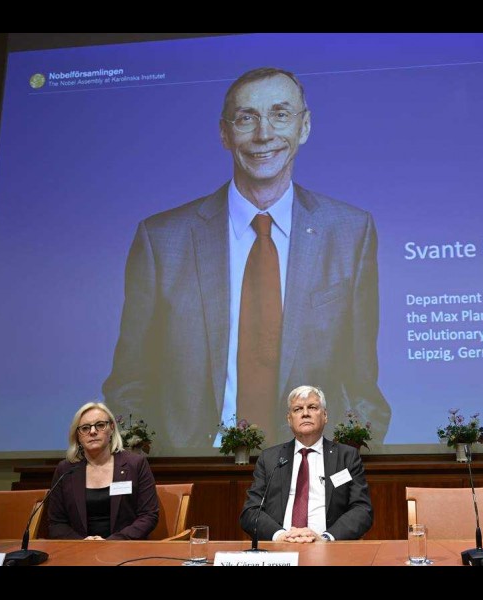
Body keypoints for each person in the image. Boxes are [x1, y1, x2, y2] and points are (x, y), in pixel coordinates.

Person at [102, 66, 390, 449]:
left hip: (310, 469)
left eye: (280, 114)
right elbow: (130, 381)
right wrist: (150, 464)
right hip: (193, 468)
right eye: (246, 118)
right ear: (224, 133)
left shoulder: (351, 233)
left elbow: (361, 383)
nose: (264, 133)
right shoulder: (161, 240)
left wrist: (342, 463)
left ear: (304, 127)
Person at [240, 385, 373, 542]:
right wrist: (280, 536)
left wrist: (326, 538)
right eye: (297, 409)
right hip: (281, 547)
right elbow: (251, 511)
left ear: (325, 415)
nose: (305, 414)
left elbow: (362, 510)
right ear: (289, 419)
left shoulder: (346, 457)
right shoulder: (270, 459)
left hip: (328, 548)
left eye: (312, 407)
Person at [48, 402, 159, 540]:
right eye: (85, 428)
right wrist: (82, 543)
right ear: (77, 435)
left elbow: (148, 515)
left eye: (100, 425)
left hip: (124, 547)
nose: (93, 431)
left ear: (112, 428)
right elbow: (56, 523)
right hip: (79, 549)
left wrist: (112, 542)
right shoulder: (65, 470)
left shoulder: (135, 464)